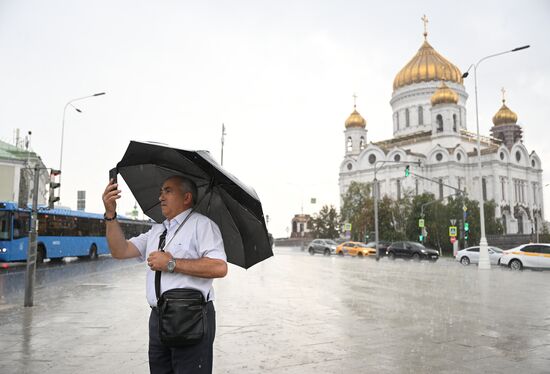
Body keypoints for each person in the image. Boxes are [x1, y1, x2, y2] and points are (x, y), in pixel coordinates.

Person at [102, 175, 227, 374]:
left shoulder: (202, 225)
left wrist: (171, 263)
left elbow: (219, 267)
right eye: (160, 191)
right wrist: (110, 214)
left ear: (186, 198)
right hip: (159, 316)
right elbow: (120, 250)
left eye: (168, 191)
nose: (161, 196)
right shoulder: (157, 230)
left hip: (191, 316)